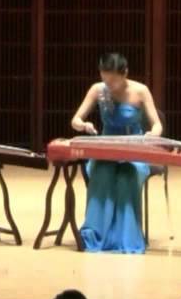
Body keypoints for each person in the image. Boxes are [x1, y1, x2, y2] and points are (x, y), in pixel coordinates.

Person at [69, 52, 163, 254]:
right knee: (101, 175)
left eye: (113, 80)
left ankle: (126, 238)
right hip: (107, 148)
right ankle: (96, 235)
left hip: (134, 148)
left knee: (127, 176)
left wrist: (152, 134)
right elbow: (75, 120)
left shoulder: (141, 91)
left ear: (125, 74)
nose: (109, 85)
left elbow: (157, 124)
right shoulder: (97, 90)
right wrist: (83, 125)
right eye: (105, 79)